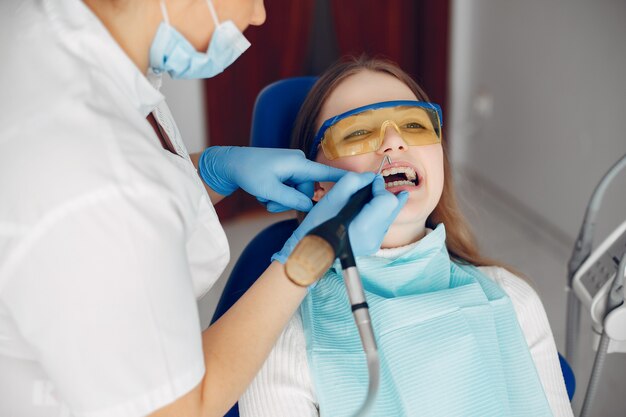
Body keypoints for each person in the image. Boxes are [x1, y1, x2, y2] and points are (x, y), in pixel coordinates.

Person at [0, 2, 408, 417]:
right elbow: (175, 409)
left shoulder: (57, 39)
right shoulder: (94, 176)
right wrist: (306, 258)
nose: (259, 16)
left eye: (415, 125)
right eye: (357, 132)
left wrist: (208, 173)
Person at [239, 57, 574, 417]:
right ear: (316, 183)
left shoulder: (513, 297)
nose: (394, 142)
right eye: (356, 132)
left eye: (414, 124)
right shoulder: (284, 340)